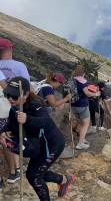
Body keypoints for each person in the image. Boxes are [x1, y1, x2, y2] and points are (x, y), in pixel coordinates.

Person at [0, 77, 75, 200]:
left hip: (52, 144)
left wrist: (27, 119)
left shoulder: (35, 104)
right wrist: (2, 131)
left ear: (25, 94)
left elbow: (45, 121)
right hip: (39, 144)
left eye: (14, 96)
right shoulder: (15, 107)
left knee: (34, 176)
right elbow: (10, 123)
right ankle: (64, 180)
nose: (10, 99)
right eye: (7, 94)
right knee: (34, 174)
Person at [0, 38, 30, 184]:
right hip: (12, 106)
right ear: (10, 49)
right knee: (11, 137)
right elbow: (26, 86)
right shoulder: (19, 65)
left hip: (1, 106)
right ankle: (16, 170)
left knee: (5, 138)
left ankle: (15, 170)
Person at [71, 65, 99, 150]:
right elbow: (87, 93)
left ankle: (81, 138)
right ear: (83, 73)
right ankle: (80, 144)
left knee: (80, 122)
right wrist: (96, 94)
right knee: (86, 123)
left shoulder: (72, 79)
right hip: (82, 105)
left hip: (73, 105)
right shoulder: (82, 81)